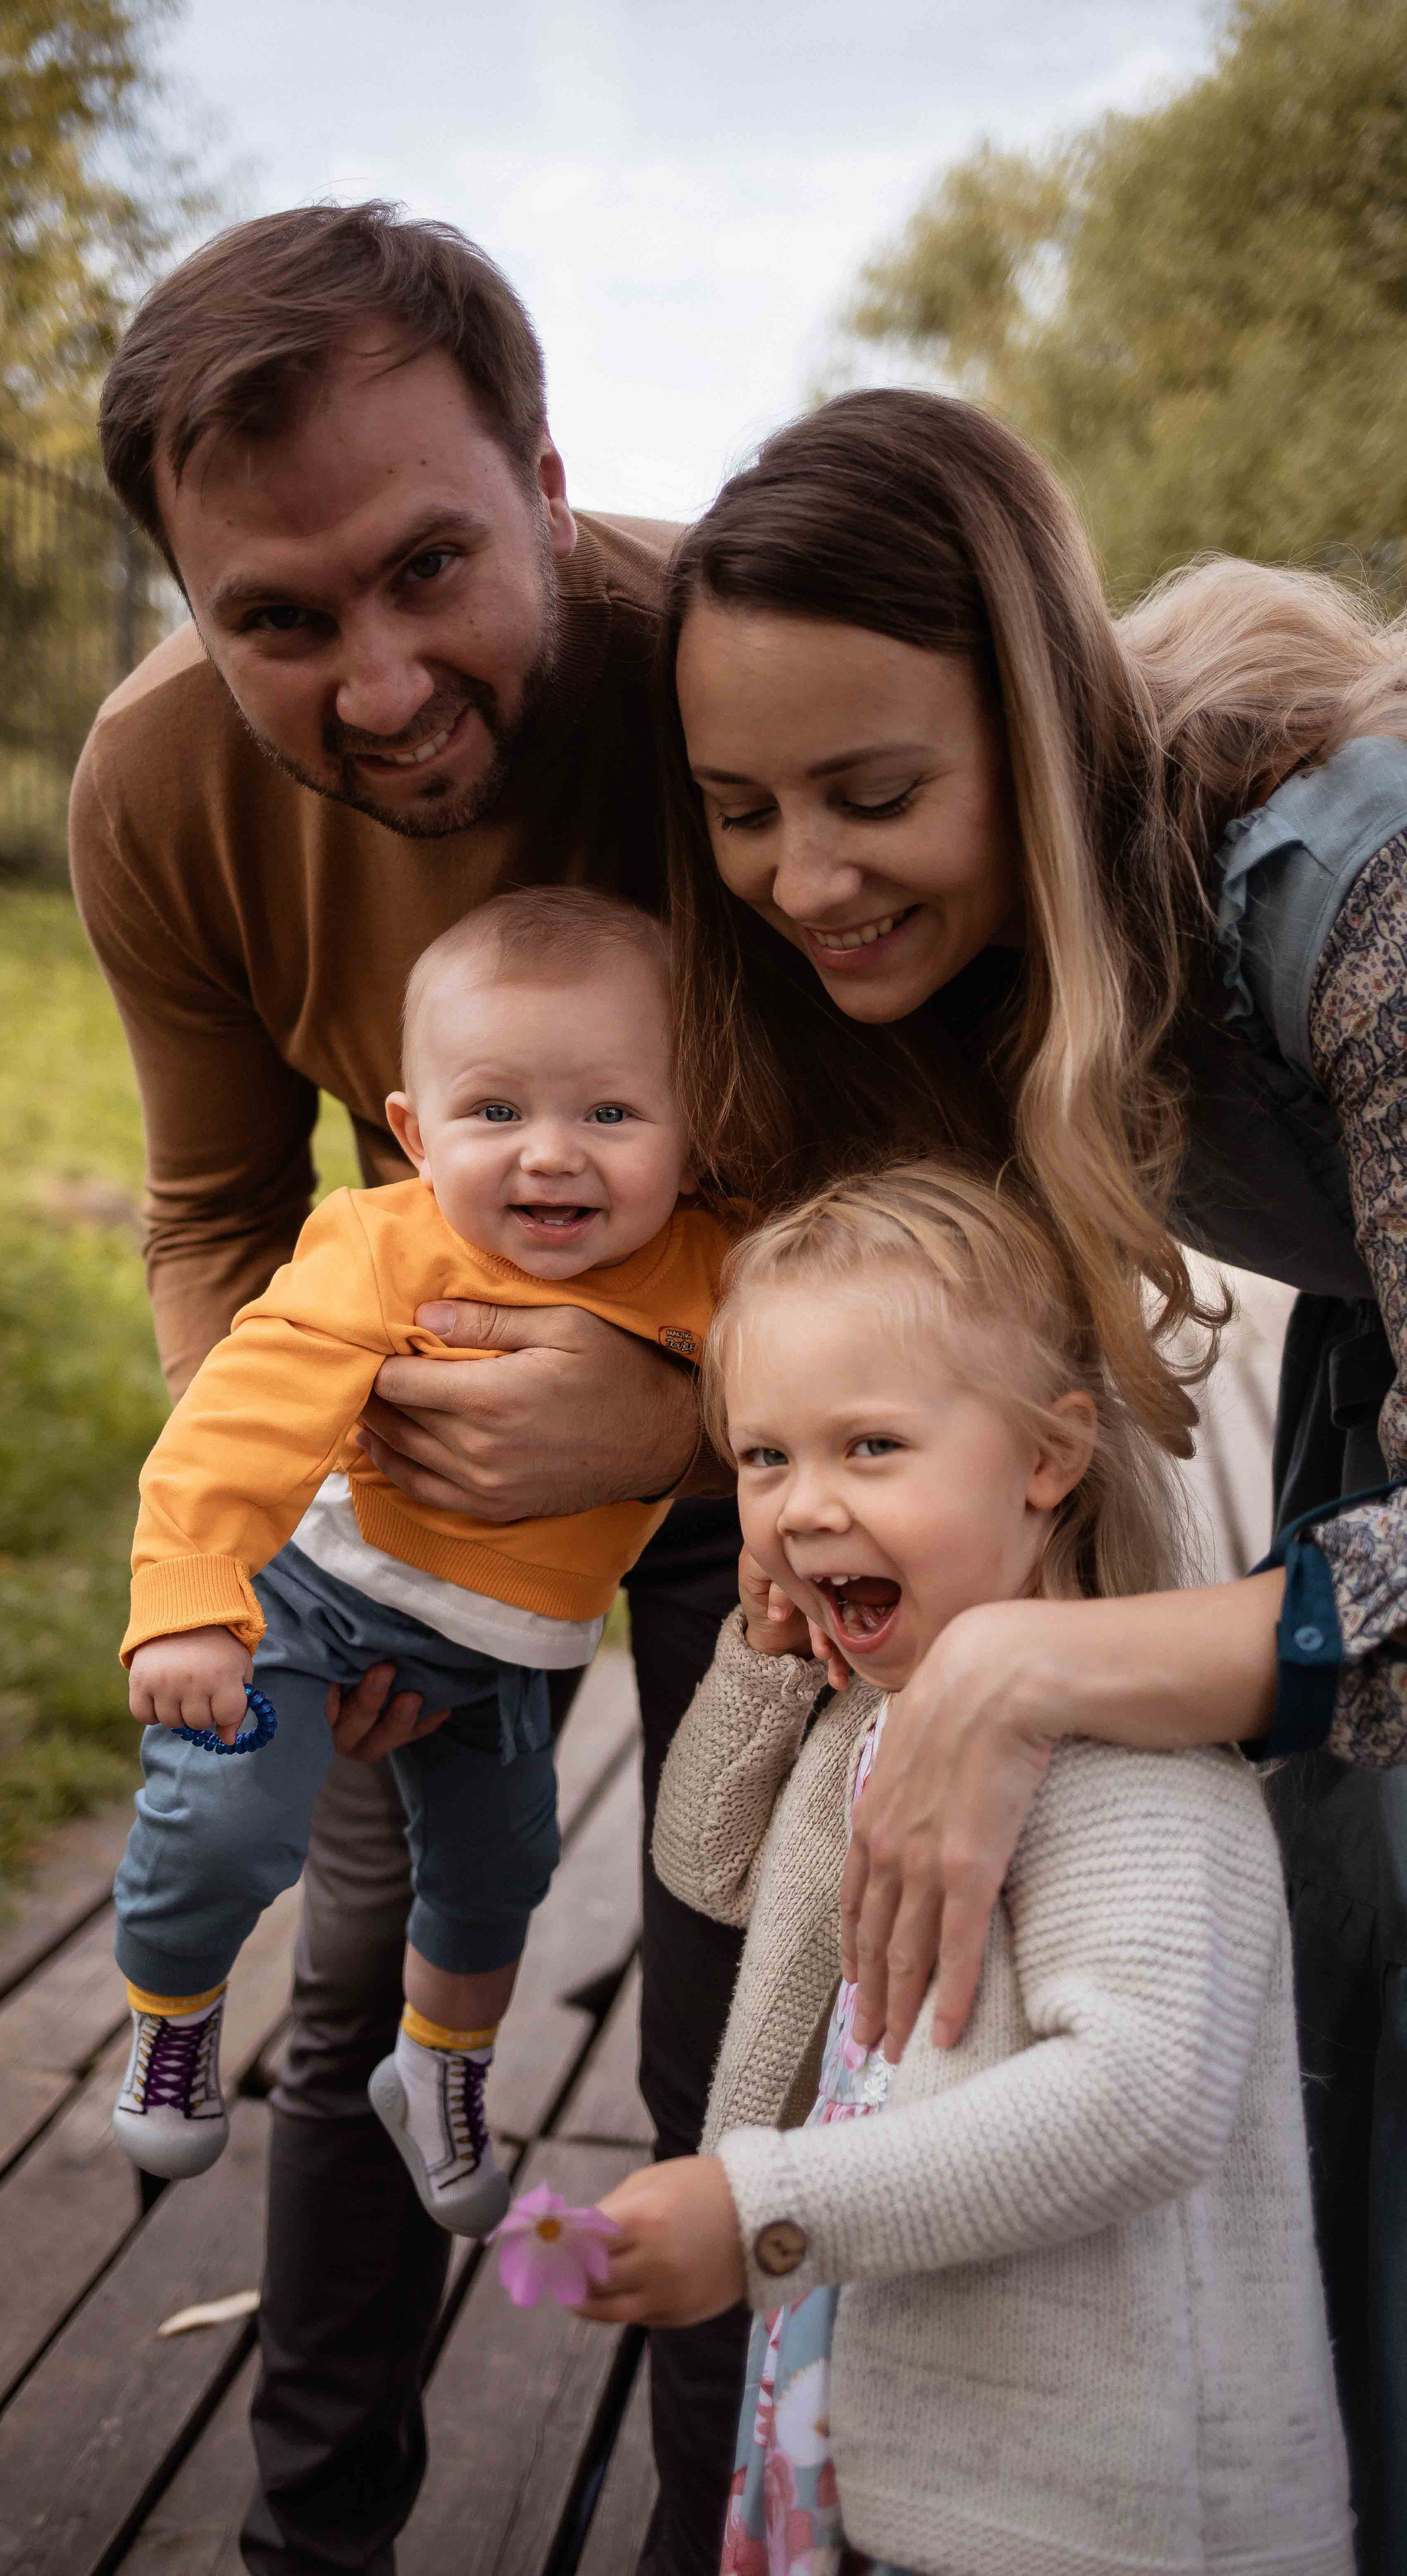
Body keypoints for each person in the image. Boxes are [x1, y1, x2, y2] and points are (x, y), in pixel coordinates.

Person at [655, 386, 1407, 2569]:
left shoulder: (1356, 900)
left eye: (872, 793)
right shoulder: (983, 974)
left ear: (1046, 728)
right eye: (739, 811)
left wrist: (1033, 1673)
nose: (801, 878)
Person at [72, 201, 746, 2573]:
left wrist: (688, 1422)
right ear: (192, 605)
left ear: (546, 485)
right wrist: (283, 1574)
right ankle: (310, 2534)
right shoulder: (163, 800)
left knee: (727, 2023)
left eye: (431, 568)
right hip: (429, 1506)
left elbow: (945, 1188)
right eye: (278, 617)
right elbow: (212, 1221)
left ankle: (720, 2536)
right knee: (355, 1995)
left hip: (789, 1449)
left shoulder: (733, 690)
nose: (374, 683)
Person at [578, 1163, 1353, 2576]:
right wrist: (759, 1657)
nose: (803, 1506)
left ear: (1046, 1460)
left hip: (1092, 2506)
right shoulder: (881, 1723)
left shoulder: (1132, 1776)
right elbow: (703, 1861)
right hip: (888, 2410)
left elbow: (1133, 2109)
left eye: (868, 1447)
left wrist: (763, 2206)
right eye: (765, 1458)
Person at [110, 889, 727, 2238]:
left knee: (496, 1877)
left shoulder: (713, 1274)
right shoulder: (382, 1245)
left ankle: (438, 2069)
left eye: (609, 1115)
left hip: (506, 1649)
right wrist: (189, 1606)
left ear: (698, 1130)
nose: (547, 1159)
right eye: (494, 1113)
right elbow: (241, 1415)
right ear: (411, 1134)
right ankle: (174, 2013)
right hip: (313, 1602)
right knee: (227, 1823)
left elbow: (790, 1406)